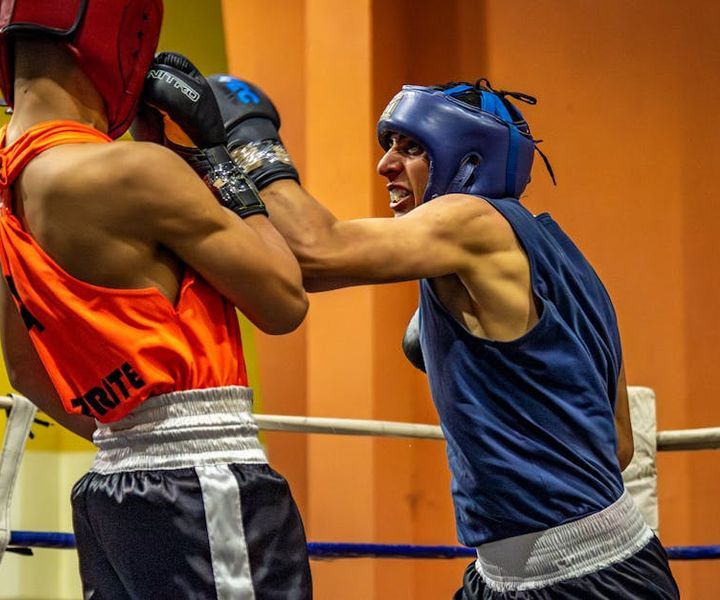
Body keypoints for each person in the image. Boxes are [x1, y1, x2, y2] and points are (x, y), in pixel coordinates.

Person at [205, 74, 680, 598]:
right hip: (534, 570)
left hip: (583, 580)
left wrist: (244, 137)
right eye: (389, 145)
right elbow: (617, 446)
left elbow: (314, 254)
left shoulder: (471, 221)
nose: (386, 165)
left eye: (411, 148)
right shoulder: (567, 260)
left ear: (467, 160)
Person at [0, 2, 312, 598]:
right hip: (204, 482)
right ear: (123, 34)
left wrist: (137, 433)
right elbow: (285, 300)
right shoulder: (138, 171)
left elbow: (25, 370)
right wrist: (215, 157)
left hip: (112, 488)